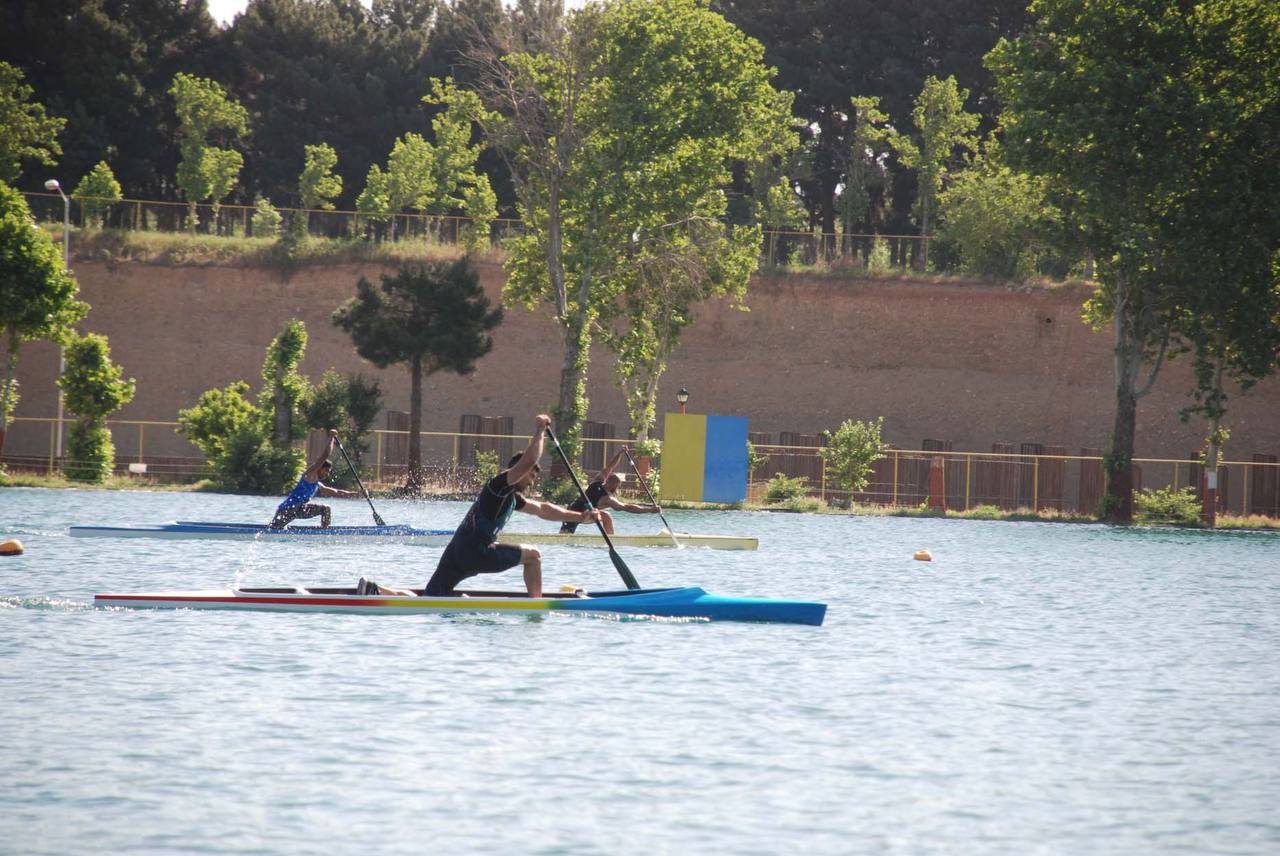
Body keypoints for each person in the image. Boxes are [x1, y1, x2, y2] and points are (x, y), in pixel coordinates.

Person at [356, 415, 599, 598]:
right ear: (518, 471)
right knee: (533, 556)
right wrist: (539, 431)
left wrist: (581, 517)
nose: (532, 481)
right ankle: (537, 606)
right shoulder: (498, 485)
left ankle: (376, 590)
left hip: (456, 552)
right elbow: (529, 461)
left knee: (430, 599)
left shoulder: (513, 498)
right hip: (477, 552)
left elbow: (544, 509)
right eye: (531, 476)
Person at [559, 445, 661, 534]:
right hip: (581, 515)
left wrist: (620, 453)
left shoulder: (597, 481)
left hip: (572, 509)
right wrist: (650, 510)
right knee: (606, 516)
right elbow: (627, 507)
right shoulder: (608, 499)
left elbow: (610, 467)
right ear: (615, 486)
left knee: (605, 516)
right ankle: (611, 539)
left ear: (607, 480)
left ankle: (611, 538)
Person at [269, 429, 359, 529]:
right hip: (288, 508)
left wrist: (357, 494)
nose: (327, 474)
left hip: (300, 509)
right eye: (326, 471)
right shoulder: (310, 474)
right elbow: (325, 455)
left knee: (326, 509)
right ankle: (273, 528)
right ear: (320, 468)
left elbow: (337, 492)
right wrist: (331, 438)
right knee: (274, 529)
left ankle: (324, 532)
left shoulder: (317, 484)